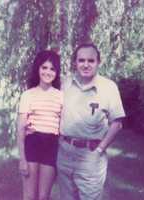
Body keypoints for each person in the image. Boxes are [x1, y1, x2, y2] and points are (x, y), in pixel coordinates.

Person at [57, 43, 125, 200]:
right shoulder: (65, 84)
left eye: (90, 60)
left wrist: (100, 150)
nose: (85, 65)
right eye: (81, 60)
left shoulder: (108, 87)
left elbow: (117, 123)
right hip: (64, 153)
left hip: (91, 157)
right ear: (75, 62)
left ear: (98, 62)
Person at [17, 50, 63, 200]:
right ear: (38, 69)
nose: (48, 72)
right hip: (33, 144)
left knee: (44, 196)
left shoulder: (61, 96)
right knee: (29, 196)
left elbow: (64, 126)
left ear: (56, 72)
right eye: (44, 67)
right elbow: (20, 129)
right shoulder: (28, 95)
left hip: (51, 146)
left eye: (52, 69)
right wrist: (22, 159)